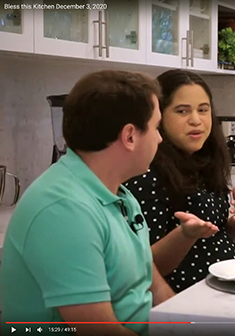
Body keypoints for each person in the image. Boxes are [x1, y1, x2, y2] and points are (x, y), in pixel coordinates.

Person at [0, 70, 174, 336]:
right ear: (129, 136)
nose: (160, 138)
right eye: (156, 127)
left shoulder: (120, 196)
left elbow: (151, 283)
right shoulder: (62, 210)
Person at [124, 69, 235, 293]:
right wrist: (185, 235)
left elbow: (208, 242)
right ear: (158, 116)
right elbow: (143, 266)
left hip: (221, 289)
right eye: (182, 111)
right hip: (184, 298)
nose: (196, 120)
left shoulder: (204, 163)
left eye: (203, 110)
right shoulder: (147, 175)